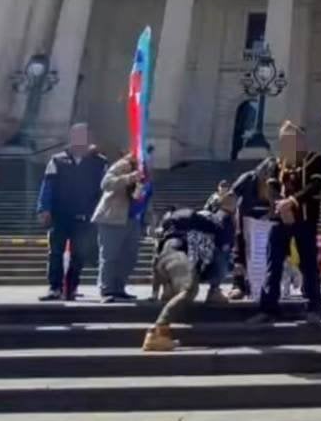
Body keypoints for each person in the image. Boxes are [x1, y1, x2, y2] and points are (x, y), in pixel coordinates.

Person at [247, 122, 321, 325]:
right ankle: (268, 308)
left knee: (308, 264)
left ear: (301, 141)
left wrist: (292, 202)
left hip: (305, 220)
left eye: (291, 139)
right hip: (280, 220)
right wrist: (280, 206)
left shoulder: (315, 160)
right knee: (273, 263)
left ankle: (313, 307)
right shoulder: (277, 163)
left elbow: (315, 185)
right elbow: (272, 188)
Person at [142, 191, 237, 351]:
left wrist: (155, 290)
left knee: (177, 294)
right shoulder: (195, 219)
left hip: (165, 259)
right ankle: (155, 333)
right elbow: (219, 237)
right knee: (190, 289)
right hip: (176, 255)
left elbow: (157, 259)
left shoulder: (170, 227)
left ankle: (163, 335)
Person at [36, 123, 108, 301]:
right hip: (60, 214)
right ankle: (54, 287)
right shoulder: (57, 160)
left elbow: (104, 190)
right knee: (56, 252)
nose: (79, 139)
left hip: (85, 215)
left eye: (83, 135)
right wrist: (44, 208)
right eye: (76, 135)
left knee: (79, 254)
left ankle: (72, 287)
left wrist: (101, 213)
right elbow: (47, 186)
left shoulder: (99, 162)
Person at [92, 153, 146, 302]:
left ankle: (119, 288)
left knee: (129, 257)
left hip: (132, 219)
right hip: (112, 218)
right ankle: (106, 289)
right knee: (110, 257)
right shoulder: (123, 165)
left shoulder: (145, 170)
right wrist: (129, 178)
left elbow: (145, 196)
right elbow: (106, 183)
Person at [227, 158, 278, 300]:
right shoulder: (248, 178)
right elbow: (232, 195)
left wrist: (269, 216)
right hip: (245, 219)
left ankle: (264, 286)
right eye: (265, 178)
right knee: (240, 251)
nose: (267, 183)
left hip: (266, 222)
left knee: (266, 253)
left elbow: (277, 205)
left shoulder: (276, 184)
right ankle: (238, 285)